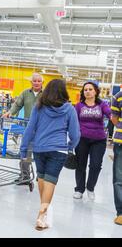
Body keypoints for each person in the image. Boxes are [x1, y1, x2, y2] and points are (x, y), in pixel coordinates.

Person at [20, 79, 80, 231]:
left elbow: (29, 129)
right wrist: (70, 146)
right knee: (50, 181)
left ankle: (43, 210)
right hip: (58, 150)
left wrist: (23, 149)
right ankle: (42, 214)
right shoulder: (69, 109)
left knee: (41, 178)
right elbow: (76, 134)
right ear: (64, 91)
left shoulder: (39, 107)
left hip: (39, 148)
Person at [3, 73, 44, 184]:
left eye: (39, 81)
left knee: (41, 154)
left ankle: (41, 176)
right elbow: (17, 105)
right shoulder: (25, 93)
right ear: (31, 82)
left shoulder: (46, 95)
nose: (36, 83)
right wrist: (10, 112)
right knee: (26, 152)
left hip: (42, 129)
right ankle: (25, 176)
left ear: (42, 83)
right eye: (34, 81)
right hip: (28, 128)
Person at [73, 82, 111, 200]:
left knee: (95, 165)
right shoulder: (79, 106)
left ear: (95, 91)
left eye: (90, 89)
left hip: (98, 140)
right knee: (80, 165)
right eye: (85, 90)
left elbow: (111, 115)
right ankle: (79, 189)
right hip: (82, 139)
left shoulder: (102, 105)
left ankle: (90, 188)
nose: (88, 91)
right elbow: (74, 122)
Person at [110, 90, 122, 225]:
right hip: (121, 143)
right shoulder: (118, 96)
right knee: (119, 179)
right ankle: (121, 213)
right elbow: (114, 118)